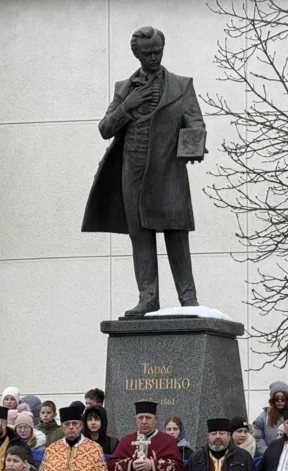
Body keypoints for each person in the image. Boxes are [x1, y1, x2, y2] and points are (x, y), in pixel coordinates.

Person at [83, 25, 205, 316]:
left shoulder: (181, 86)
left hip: (168, 171)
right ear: (136, 54)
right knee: (140, 236)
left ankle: (188, 299)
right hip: (134, 171)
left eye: (157, 52)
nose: (153, 57)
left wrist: (193, 147)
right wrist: (127, 106)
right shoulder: (124, 89)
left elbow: (195, 123)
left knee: (176, 234)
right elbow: (105, 129)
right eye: (147, 53)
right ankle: (148, 298)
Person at [252, 381, 288, 457]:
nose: (279, 401)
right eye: (276, 399)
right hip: (271, 456)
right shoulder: (264, 416)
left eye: (283, 399)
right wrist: (267, 453)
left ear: (287, 399)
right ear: (272, 400)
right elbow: (258, 437)